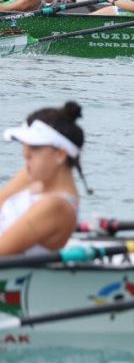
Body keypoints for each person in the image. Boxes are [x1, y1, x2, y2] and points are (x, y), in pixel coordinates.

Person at [0, 101, 87, 256]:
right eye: (25, 145)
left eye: (34, 147)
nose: (25, 154)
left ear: (60, 155)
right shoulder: (37, 174)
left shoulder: (56, 207)